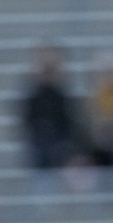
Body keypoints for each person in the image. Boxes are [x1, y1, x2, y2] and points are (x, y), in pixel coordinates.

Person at [19, 41, 83, 170]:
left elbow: (71, 125)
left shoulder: (64, 95)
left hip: (63, 147)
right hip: (38, 150)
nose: (48, 68)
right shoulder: (31, 95)